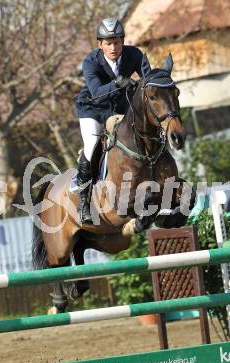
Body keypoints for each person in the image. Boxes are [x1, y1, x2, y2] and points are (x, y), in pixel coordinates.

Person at [75, 17, 150, 224]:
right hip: (93, 108)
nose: (113, 47)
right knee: (91, 147)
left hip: (120, 106)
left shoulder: (134, 54)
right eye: (108, 43)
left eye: (117, 42)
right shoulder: (91, 61)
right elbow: (98, 91)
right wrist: (119, 82)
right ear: (100, 45)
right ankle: (84, 200)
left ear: (122, 41)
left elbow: (148, 81)